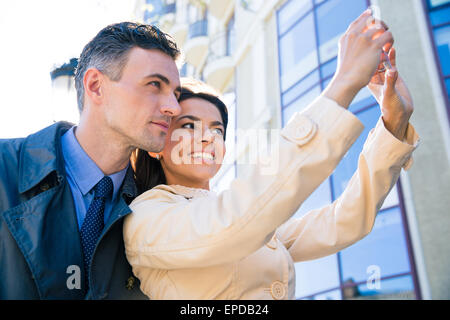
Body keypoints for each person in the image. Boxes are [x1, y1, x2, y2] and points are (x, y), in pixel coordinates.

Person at [123, 10, 420, 300]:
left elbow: (343, 220)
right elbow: (233, 222)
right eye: (188, 125)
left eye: (217, 130)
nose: (207, 137)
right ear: (157, 145)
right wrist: (344, 81)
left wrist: (393, 126)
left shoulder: (248, 215)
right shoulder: (144, 217)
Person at [0, 22, 182, 299]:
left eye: (176, 94)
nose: (174, 107)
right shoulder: (4, 167)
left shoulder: (158, 208)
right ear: (96, 86)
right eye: (155, 84)